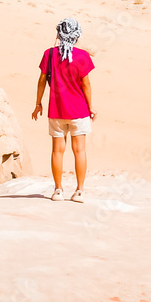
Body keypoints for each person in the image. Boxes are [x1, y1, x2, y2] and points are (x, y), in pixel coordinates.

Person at [32, 17, 96, 202]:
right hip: (79, 110)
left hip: (57, 110)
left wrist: (38, 104)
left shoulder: (49, 54)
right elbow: (86, 84)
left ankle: (58, 190)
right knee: (80, 151)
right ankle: (79, 191)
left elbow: (41, 80)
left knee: (57, 151)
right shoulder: (83, 56)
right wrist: (91, 107)